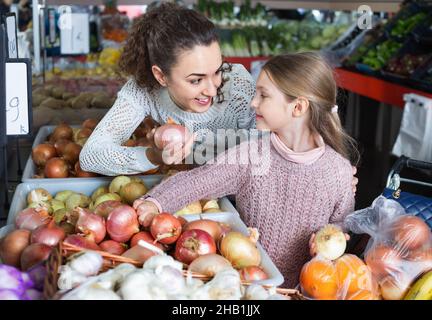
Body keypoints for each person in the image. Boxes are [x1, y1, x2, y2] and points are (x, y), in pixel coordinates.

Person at [133, 52, 359, 288]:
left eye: (264, 95)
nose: (253, 103)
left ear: (298, 107)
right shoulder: (251, 156)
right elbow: (199, 181)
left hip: (305, 291)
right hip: (248, 288)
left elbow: (344, 225)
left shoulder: (339, 171)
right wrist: (156, 201)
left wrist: (332, 238)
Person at [80, 2, 256, 175]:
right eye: (196, 80)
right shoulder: (143, 89)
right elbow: (91, 156)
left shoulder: (238, 83)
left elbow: (268, 148)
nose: (211, 90)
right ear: (161, 76)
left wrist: (197, 146)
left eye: (217, 71)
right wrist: (153, 156)